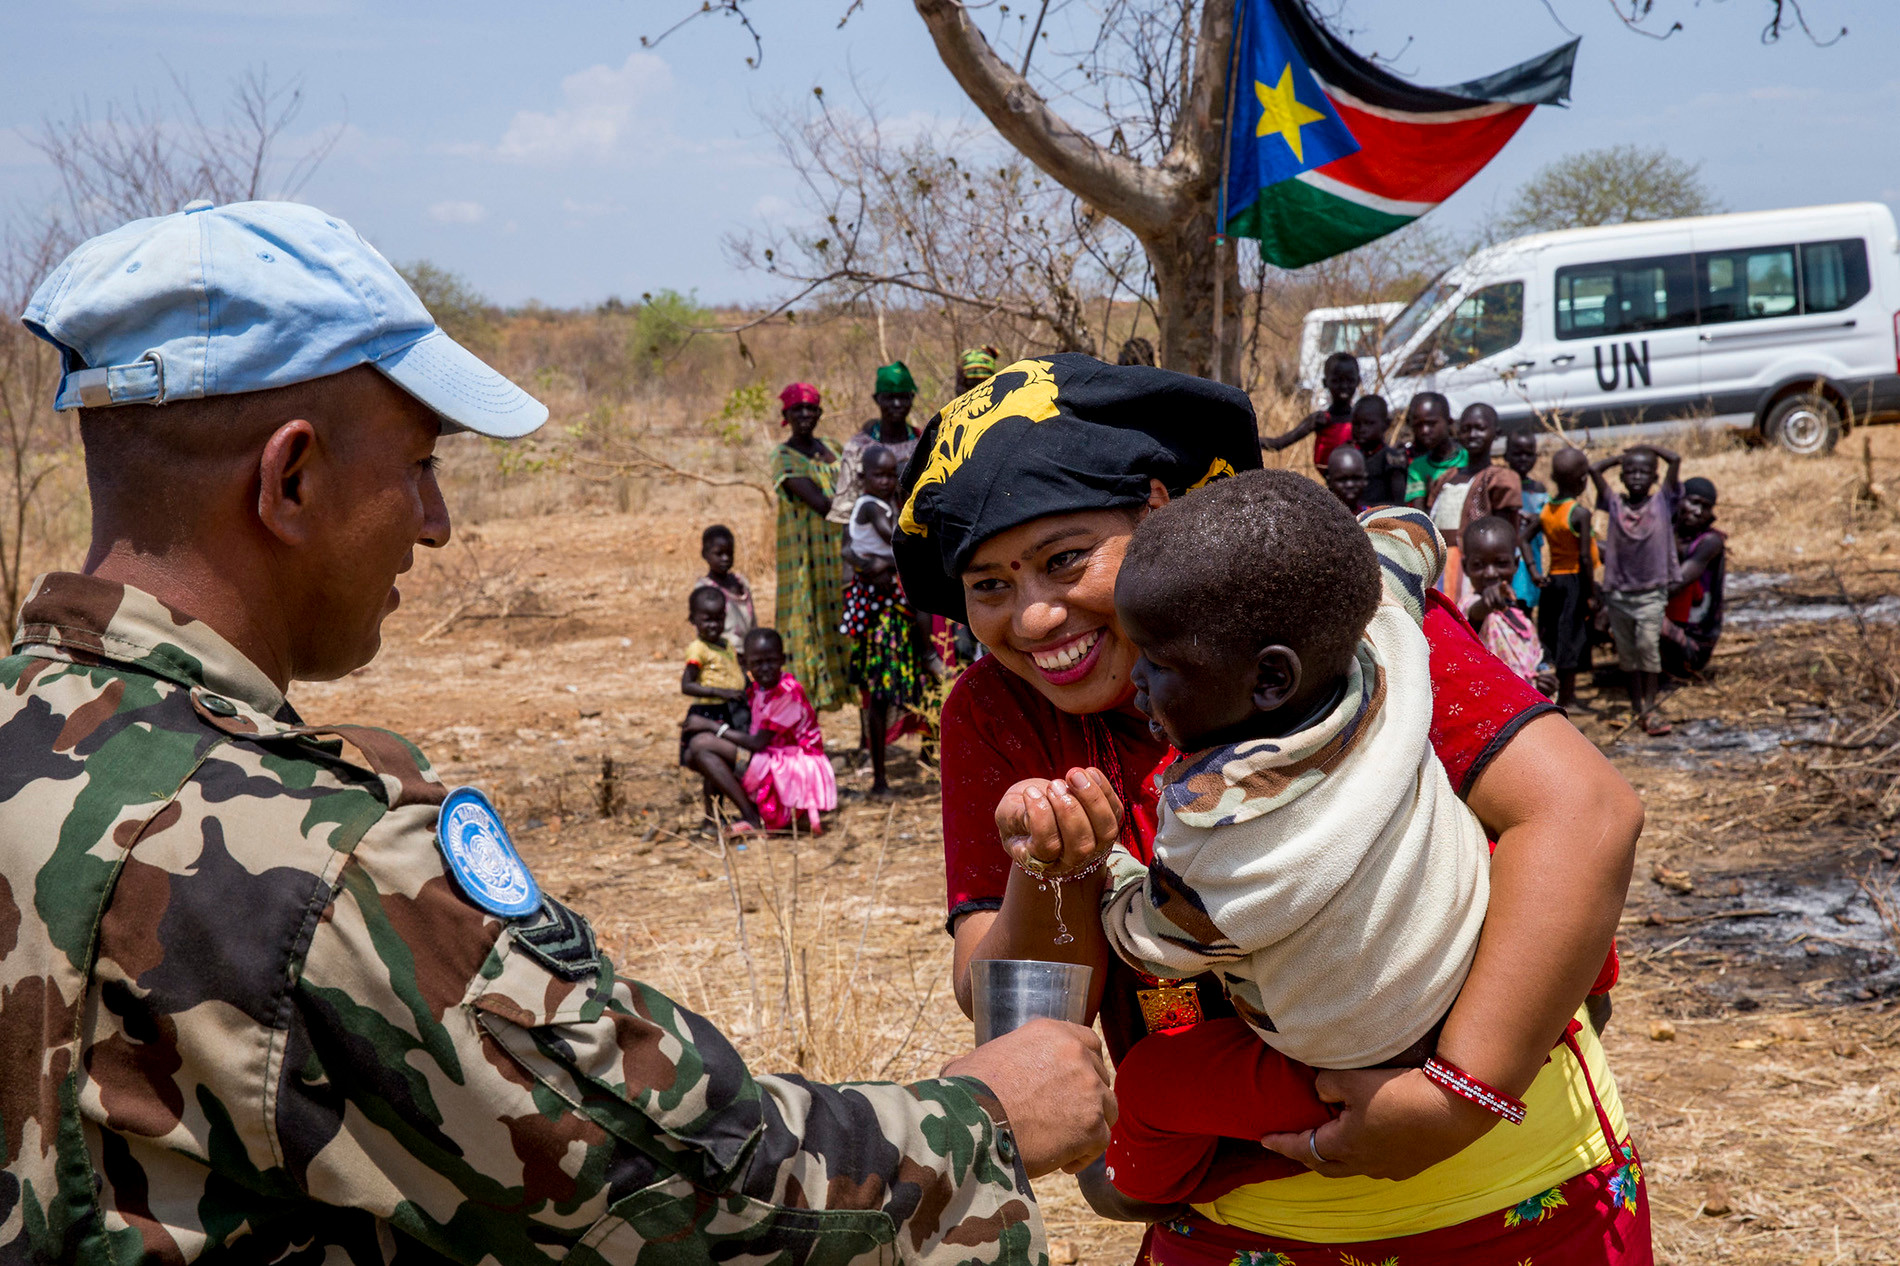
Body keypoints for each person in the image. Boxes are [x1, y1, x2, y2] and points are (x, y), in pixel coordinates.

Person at [1, 200, 1116, 1263]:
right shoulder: (310, 862)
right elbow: (678, 1200)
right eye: (421, 467)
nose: (435, 525)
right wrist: (985, 1117)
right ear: (290, 477)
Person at [893, 354, 1648, 1265]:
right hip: (1232, 1231)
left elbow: (1584, 813)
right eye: (990, 586)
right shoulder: (998, 713)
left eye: (1065, 560)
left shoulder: (1302, 612)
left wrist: (1453, 1100)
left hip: (1508, 1189)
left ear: (1160, 512)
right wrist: (1057, 870)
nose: (1038, 618)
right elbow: (1018, 1025)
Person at [1056, 479, 1491, 1208]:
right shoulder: (1386, 637)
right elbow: (1410, 530)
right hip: (1475, 979)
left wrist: (1105, 861)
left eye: (1158, 664)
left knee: (1149, 1082)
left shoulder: (1224, 827)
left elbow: (1149, 940)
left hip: (1356, 1054)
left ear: (1268, 679)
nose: (1135, 678)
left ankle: (1150, 1188)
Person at [841, 445, 927, 795]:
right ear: (863, 478)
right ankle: (879, 778)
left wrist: (882, 565)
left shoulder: (885, 504)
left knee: (894, 688)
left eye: (892, 474)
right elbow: (897, 542)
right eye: (879, 475)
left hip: (889, 603)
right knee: (879, 692)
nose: (886, 480)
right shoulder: (872, 508)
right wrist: (883, 564)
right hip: (880, 611)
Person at [1590, 443, 1683, 735]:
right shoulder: (1614, 503)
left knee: (1647, 648)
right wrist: (1621, 457)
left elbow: (1675, 457)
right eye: (1630, 471)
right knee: (1627, 654)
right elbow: (1594, 469)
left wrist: (1645, 448)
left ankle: (1650, 707)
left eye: (1644, 471)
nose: (1637, 477)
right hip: (1618, 593)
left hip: (1651, 592)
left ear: (1655, 476)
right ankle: (1635, 707)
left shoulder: (1662, 501)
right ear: (1622, 476)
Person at [710, 627, 841, 833]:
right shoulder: (758, 689)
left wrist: (715, 729)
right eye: (758, 663)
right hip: (777, 757)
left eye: (771, 661)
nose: (765, 668)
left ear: (782, 659)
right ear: (745, 663)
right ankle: (719, 817)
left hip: (798, 764)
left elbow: (757, 742)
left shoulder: (787, 691)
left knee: (705, 745)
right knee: (699, 749)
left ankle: (753, 816)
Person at [772, 382, 852, 712]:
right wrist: (852, 500)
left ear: (819, 412)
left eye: (811, 409)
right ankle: (803, 731)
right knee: (804, 632)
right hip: (806, 561)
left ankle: (864, 739)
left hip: (843, 558)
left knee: (849, 634)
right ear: (785, 416)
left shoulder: (832, 445)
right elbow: (822, 504)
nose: (805, 415)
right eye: (797, 410)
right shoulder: (783, 457)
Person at [1424, 403, 1535, 606]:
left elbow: (1505, 533)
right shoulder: (1446, 477)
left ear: (1496, 432)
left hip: (1476, 569)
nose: (1472, 434)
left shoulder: (1500, 479)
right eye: (1466, 429)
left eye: (1480, 428)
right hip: (1440, 568)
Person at [679, 586, 759, 830]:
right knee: (708, 764)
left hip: (730, 711)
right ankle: (713, 814)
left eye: (718, 619)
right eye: (707, 620)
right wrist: (719, 692)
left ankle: (714, 816)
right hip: (708, 713)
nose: (713, 625)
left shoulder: (726, 645)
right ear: (693, 620)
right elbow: (687, 685)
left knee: (716, 766)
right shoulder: (698, 649)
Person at [1463, 515, 1555, 698]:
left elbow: (1533, 662)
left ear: (1515, 563)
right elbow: (1475, 613)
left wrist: (1544, 683)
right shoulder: (1468, 606)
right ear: (1465, 567)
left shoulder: (1519, 615)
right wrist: (1487, 600)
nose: (1490, 573)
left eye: (1501, 563)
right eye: (1479, 565)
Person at [1537, 448, 1600, 711]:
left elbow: (1523, 535)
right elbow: (1585, 557)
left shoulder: (1547, 509)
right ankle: (1568, 698)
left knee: (1557, 633)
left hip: (1554, 580)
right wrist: (1592, 591)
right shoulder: (1579, 514)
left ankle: (1564, 695)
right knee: (1571, 635)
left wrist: (1532, 570)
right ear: (1583, 481)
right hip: (1574, 579)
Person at [829, 362, 923, 529]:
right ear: (877, 399)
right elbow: (846, 509)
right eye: (889, 397)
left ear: (911, 399)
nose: (896, 404)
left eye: (902, 397)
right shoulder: (857, 447)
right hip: (870, 542)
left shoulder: (923, 443)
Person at [1663, 477, 1727, 678]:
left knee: (1636, 613)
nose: (1698, 511)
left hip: (1692, 646)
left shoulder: (1710, 543)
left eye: (1705, 507)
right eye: (1693, 502)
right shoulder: (1666, 533)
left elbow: (1675, 585)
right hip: (1666, 626)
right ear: (1679, 501)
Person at [1261, 351, 1358, 470]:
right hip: (1330, 485)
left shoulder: (1362, 420)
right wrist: (1246, 438)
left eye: (1349, 380)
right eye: (1337, 381)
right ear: (1325, 383)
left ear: (1358, 381)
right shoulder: (1320, 420)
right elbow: (1278, 444)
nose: (1344, 386)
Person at [1505, 433, 1549, 611]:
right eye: (1517, 454)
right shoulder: (1502, 485)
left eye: (1528, 454)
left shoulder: (1538, 490)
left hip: (1531, 555)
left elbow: (1548, 519)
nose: (1523, 459)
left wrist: (1539, 519)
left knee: (1525, 605)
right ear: (1506, 455)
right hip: (1509, 555)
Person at [693, 522, 756, 645]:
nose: (725, 558)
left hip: (747, 653)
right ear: (705, 554)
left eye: (729, 553)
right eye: (719, 554)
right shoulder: (705, 588)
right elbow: (703, 629)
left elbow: (753, 622)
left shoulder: (741, 583)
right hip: (721, 653)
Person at [1401, 391, 1465, 509]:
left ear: (1449, 421)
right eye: (1418, 425)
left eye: (1431, 423)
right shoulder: (1417, 467)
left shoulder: (1467, 457)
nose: (1424, 430)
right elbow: (1418, 514)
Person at [1350, 395, 1406, 507]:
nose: (1362, 429)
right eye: (1357, 424)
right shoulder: (1351, 457)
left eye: (1369, 423)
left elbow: (1398, 502)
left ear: (1386, 424)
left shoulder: (1392, 458)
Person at [1322, 443, 1368, 512]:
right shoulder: (1320, 517)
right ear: (1329, 482)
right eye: (1342, 479)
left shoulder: (1373, 517)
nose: (1350, 485)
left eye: (1356, 478)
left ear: (1365, 479)